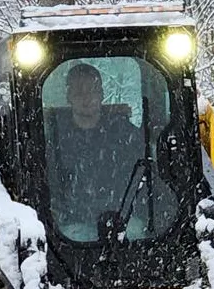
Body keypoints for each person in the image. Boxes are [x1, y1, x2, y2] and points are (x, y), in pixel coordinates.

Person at [47, 62, 144, 238]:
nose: (87, 98)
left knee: (138, 234)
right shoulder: (55, 141)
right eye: (79, 92)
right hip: (73, 227)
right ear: (69, 97)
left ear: (101, 94)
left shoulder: (125, 135)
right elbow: (51, 186)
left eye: (92, 90)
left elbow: (142, 174)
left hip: (123, 219)